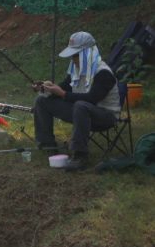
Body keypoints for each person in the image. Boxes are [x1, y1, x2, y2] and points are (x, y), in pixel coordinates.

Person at [32, 32, 121, 171]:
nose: (73, 59)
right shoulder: (76, 69)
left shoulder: (103, 72)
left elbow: (92, 99)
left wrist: (62, 93)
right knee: (42, 100)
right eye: (72, 55)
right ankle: (47, 145)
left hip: (105, 116)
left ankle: (80, 156)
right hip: (81, 112)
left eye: (75, 55)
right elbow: (64, 88)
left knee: (81, 106)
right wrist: (46, 88)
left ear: (88, 53)